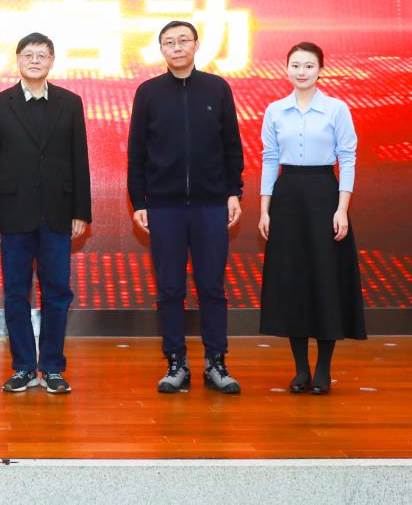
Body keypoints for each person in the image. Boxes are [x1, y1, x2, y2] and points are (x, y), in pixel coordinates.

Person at [127, 20, 245, 395]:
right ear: (161, 49)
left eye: (183, 41)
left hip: (211, 204)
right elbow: (136, 152)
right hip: (164, 206)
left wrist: (234, 192)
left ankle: (216, 361)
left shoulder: (217, 88)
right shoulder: (148, 92)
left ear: (196, 44)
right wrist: (139, 201)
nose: (176, 48)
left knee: (211, 286)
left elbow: (231, 145)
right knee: (170, 288)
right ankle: (176, 362)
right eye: (169, 42)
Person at [0, 33, 91, 394]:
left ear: (52, 61)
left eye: (41, 55)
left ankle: (53, 368)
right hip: (13, 214)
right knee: (16, 294)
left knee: (57, 292)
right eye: (28, 55)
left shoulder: (70, 103)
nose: (34, 60)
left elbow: (79, 160)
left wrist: (81, 211)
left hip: (58, 213)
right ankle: (24, 367)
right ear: (17, 60)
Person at [257, 42, 366, 395]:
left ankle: (323, 369)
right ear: (286, 69)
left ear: (320, 70)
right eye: (295, 65)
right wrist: (264, 209)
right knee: (294, 282)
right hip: (287, 196)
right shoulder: (275, 110)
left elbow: (347, 158)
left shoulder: (336, 109)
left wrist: (342, 208)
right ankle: (301, 369)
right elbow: (270, 159)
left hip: (324, 195)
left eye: (308, 66)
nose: (301, 72)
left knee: (325, 280)